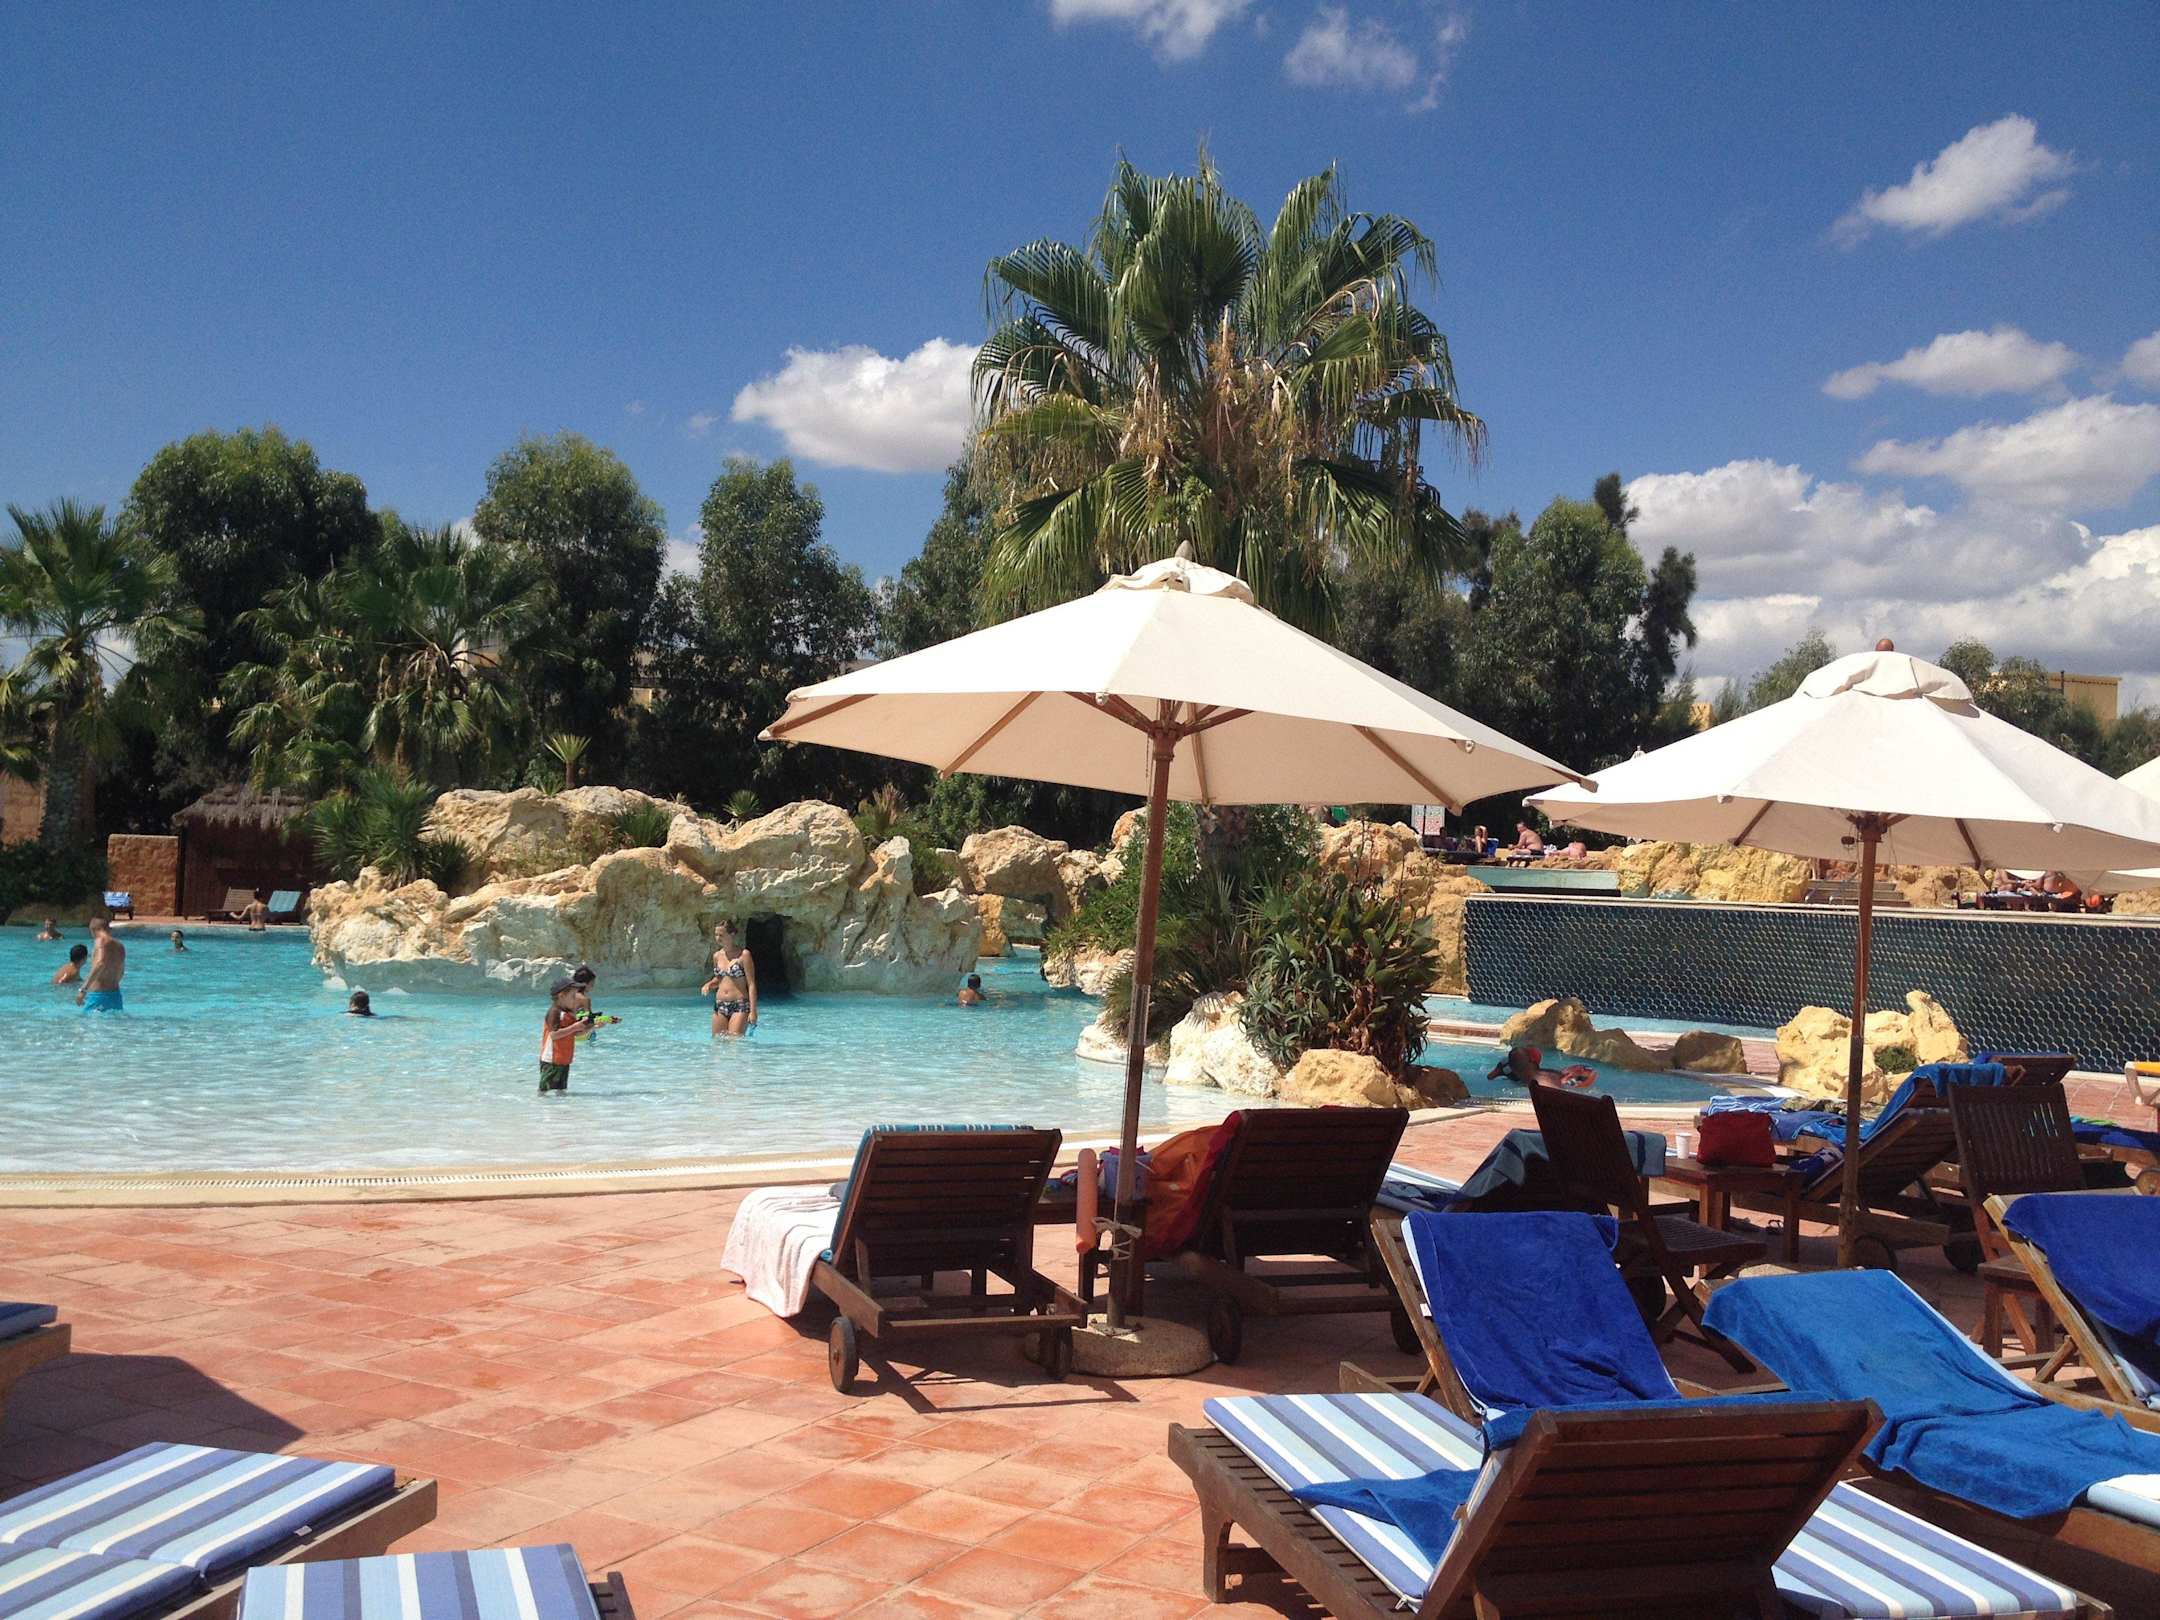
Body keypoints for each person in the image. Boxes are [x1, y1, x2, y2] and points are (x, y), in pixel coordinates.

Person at [538, 977, 595, 1093]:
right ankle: (540, 1105)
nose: (576, 1000)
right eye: (573, 997)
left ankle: (562, 1105)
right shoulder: (554, 1012)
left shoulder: (568, 1014)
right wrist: (575, 1027)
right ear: (561, 996)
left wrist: (593, 1026)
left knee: (561, 1090)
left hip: (564, 1059)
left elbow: (576, 1034)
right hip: (551, 1059)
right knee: (544, 1091)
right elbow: (554, 1035)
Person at [702, 921, 757, 1037]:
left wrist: (753, 1011)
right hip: (720, 1005)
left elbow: (751, 984)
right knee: (717, 1042)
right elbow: (719, 979)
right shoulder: (716, 956)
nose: (718, 938)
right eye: (716, 935)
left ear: (731, 934)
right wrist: (709, 984)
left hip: (739, 1005)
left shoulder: (744, 955)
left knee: (734, 1042)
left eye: (721, 935)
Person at [1486, 1044, 1594, 1089]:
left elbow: (1489, 1077)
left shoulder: (1504, 1068)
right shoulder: (1546, 1082)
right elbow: (1591, 1073)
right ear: (1535, 1062)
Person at [77, 916, 125, 1012]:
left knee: (87, 1020)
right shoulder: (120, 946)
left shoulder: (100, 940)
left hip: (98, 995)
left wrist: (83, 989)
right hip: (116, 996)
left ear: (93, 929)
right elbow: (121, 971)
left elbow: (100, 963)